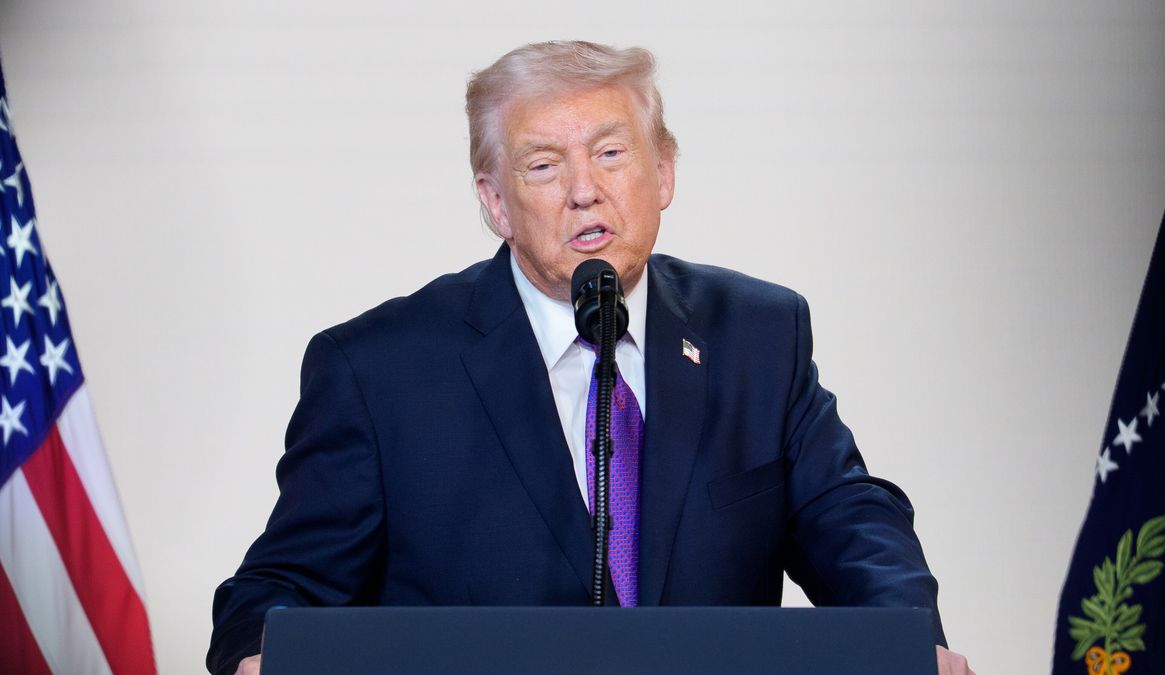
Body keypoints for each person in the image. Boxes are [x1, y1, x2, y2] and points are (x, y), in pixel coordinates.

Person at [208, 41, 974, 675]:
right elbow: (279, 587)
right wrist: (259, 652)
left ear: (664, 171)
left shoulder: (759, 334)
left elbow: (848, 519)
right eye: (543, 165)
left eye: (612, 153)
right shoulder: (378, 372)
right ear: (495, 201)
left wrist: (908, 641)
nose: (585, 190)